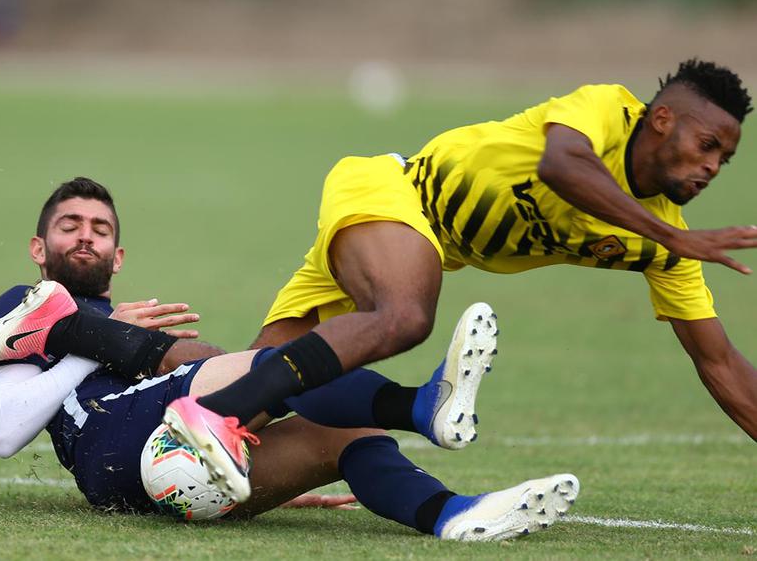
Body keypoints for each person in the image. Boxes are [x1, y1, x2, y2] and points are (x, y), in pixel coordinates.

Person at [159, 58, 757, 496]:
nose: (711, 167)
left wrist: (671, 239)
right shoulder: (606, 112)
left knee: (263, 379)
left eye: (723, 159)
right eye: (706, 144)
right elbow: (562, 164)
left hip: (412, 244)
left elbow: (721, 363)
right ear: (659, 119)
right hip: (393, 191)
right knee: (405, 318)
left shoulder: (664, 245)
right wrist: (674, 236)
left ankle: (158, 413)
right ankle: (216, 410)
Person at [0, 177, 580, 540]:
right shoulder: (26, 302)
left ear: (118, 257)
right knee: (268, 367)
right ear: (40, 247)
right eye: (69, 225)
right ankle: (420, 407)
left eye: (100, 227)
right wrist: (91, 345)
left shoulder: (124, 317)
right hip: (110, 449)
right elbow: (5, 432)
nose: (86, 234)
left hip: (162, 474)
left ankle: (453, 516)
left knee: (340, 436)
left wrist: (277, 486)